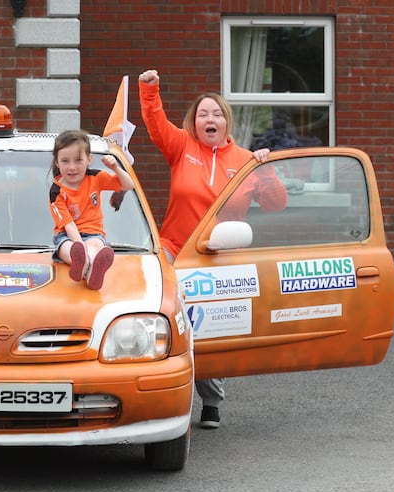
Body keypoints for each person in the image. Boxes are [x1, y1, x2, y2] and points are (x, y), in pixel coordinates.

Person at [138, 68, 287, 429]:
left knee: (212, 327)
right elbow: (156, 123)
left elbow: (276, 204)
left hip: (219, 256)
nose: (210, 118)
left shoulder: (245, 161)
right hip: (173, 249)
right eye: (203, 113)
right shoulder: (181, 147)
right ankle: (162, 394)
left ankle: (211, 401)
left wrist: (264, 170)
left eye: (217, 114)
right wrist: (149, 88)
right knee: (170, 318)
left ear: (227, 121)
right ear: (194, 121)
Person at [48, 129, 135, 290]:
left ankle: (91, 268)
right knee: (68, 248)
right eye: (65, 161)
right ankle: (83, 263)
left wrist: (115, 168)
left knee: (95, 246)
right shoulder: (56, 191)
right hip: (67, 236)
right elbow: (68, 224)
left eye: (78, 160)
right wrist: (79, 245)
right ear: (57, 162)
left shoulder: (96, 177)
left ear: (89, 159)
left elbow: (129, 185)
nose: (72, 167)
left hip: (93, 233)